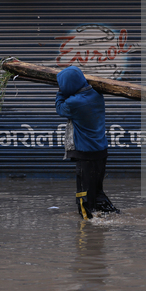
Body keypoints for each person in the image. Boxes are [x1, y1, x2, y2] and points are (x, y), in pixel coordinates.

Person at [55, 66, 120, 219]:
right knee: (97, 191)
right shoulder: (97, 95)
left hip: (86, 155)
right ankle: (112, 216)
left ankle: (87, 231)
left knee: (84, 195)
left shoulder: (74, 103)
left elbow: (59, 108)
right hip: (101, 152)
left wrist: (60, 92)